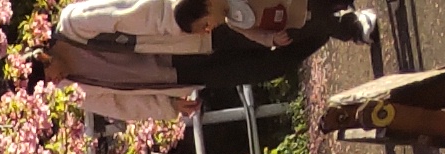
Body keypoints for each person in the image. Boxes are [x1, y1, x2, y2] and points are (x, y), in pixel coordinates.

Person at [42, 0, 371, 123]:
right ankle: (337, 22)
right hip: (181, 72)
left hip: (187, 31)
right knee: (269, 66)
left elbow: (135, 12)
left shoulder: (74, 23)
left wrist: (183, 17)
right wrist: (168, 107)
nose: (53, 83)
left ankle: (344, 24)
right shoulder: (76, 89)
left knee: (268, 24)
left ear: (44, 55)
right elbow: (121, 106)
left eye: (46, 76)